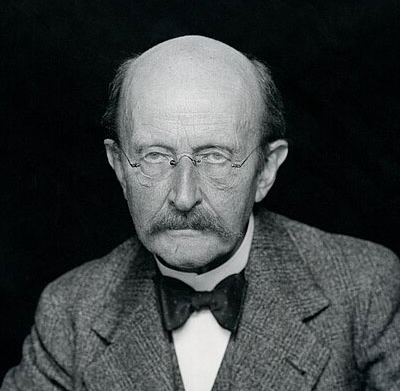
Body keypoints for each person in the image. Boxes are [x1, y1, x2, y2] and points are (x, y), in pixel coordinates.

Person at [2, 35, 400, 391]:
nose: (184, 196)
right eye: (154, 156)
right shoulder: (69, 312)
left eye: (215, 157)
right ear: (120, 167)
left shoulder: (365, 290)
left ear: (266, 170)